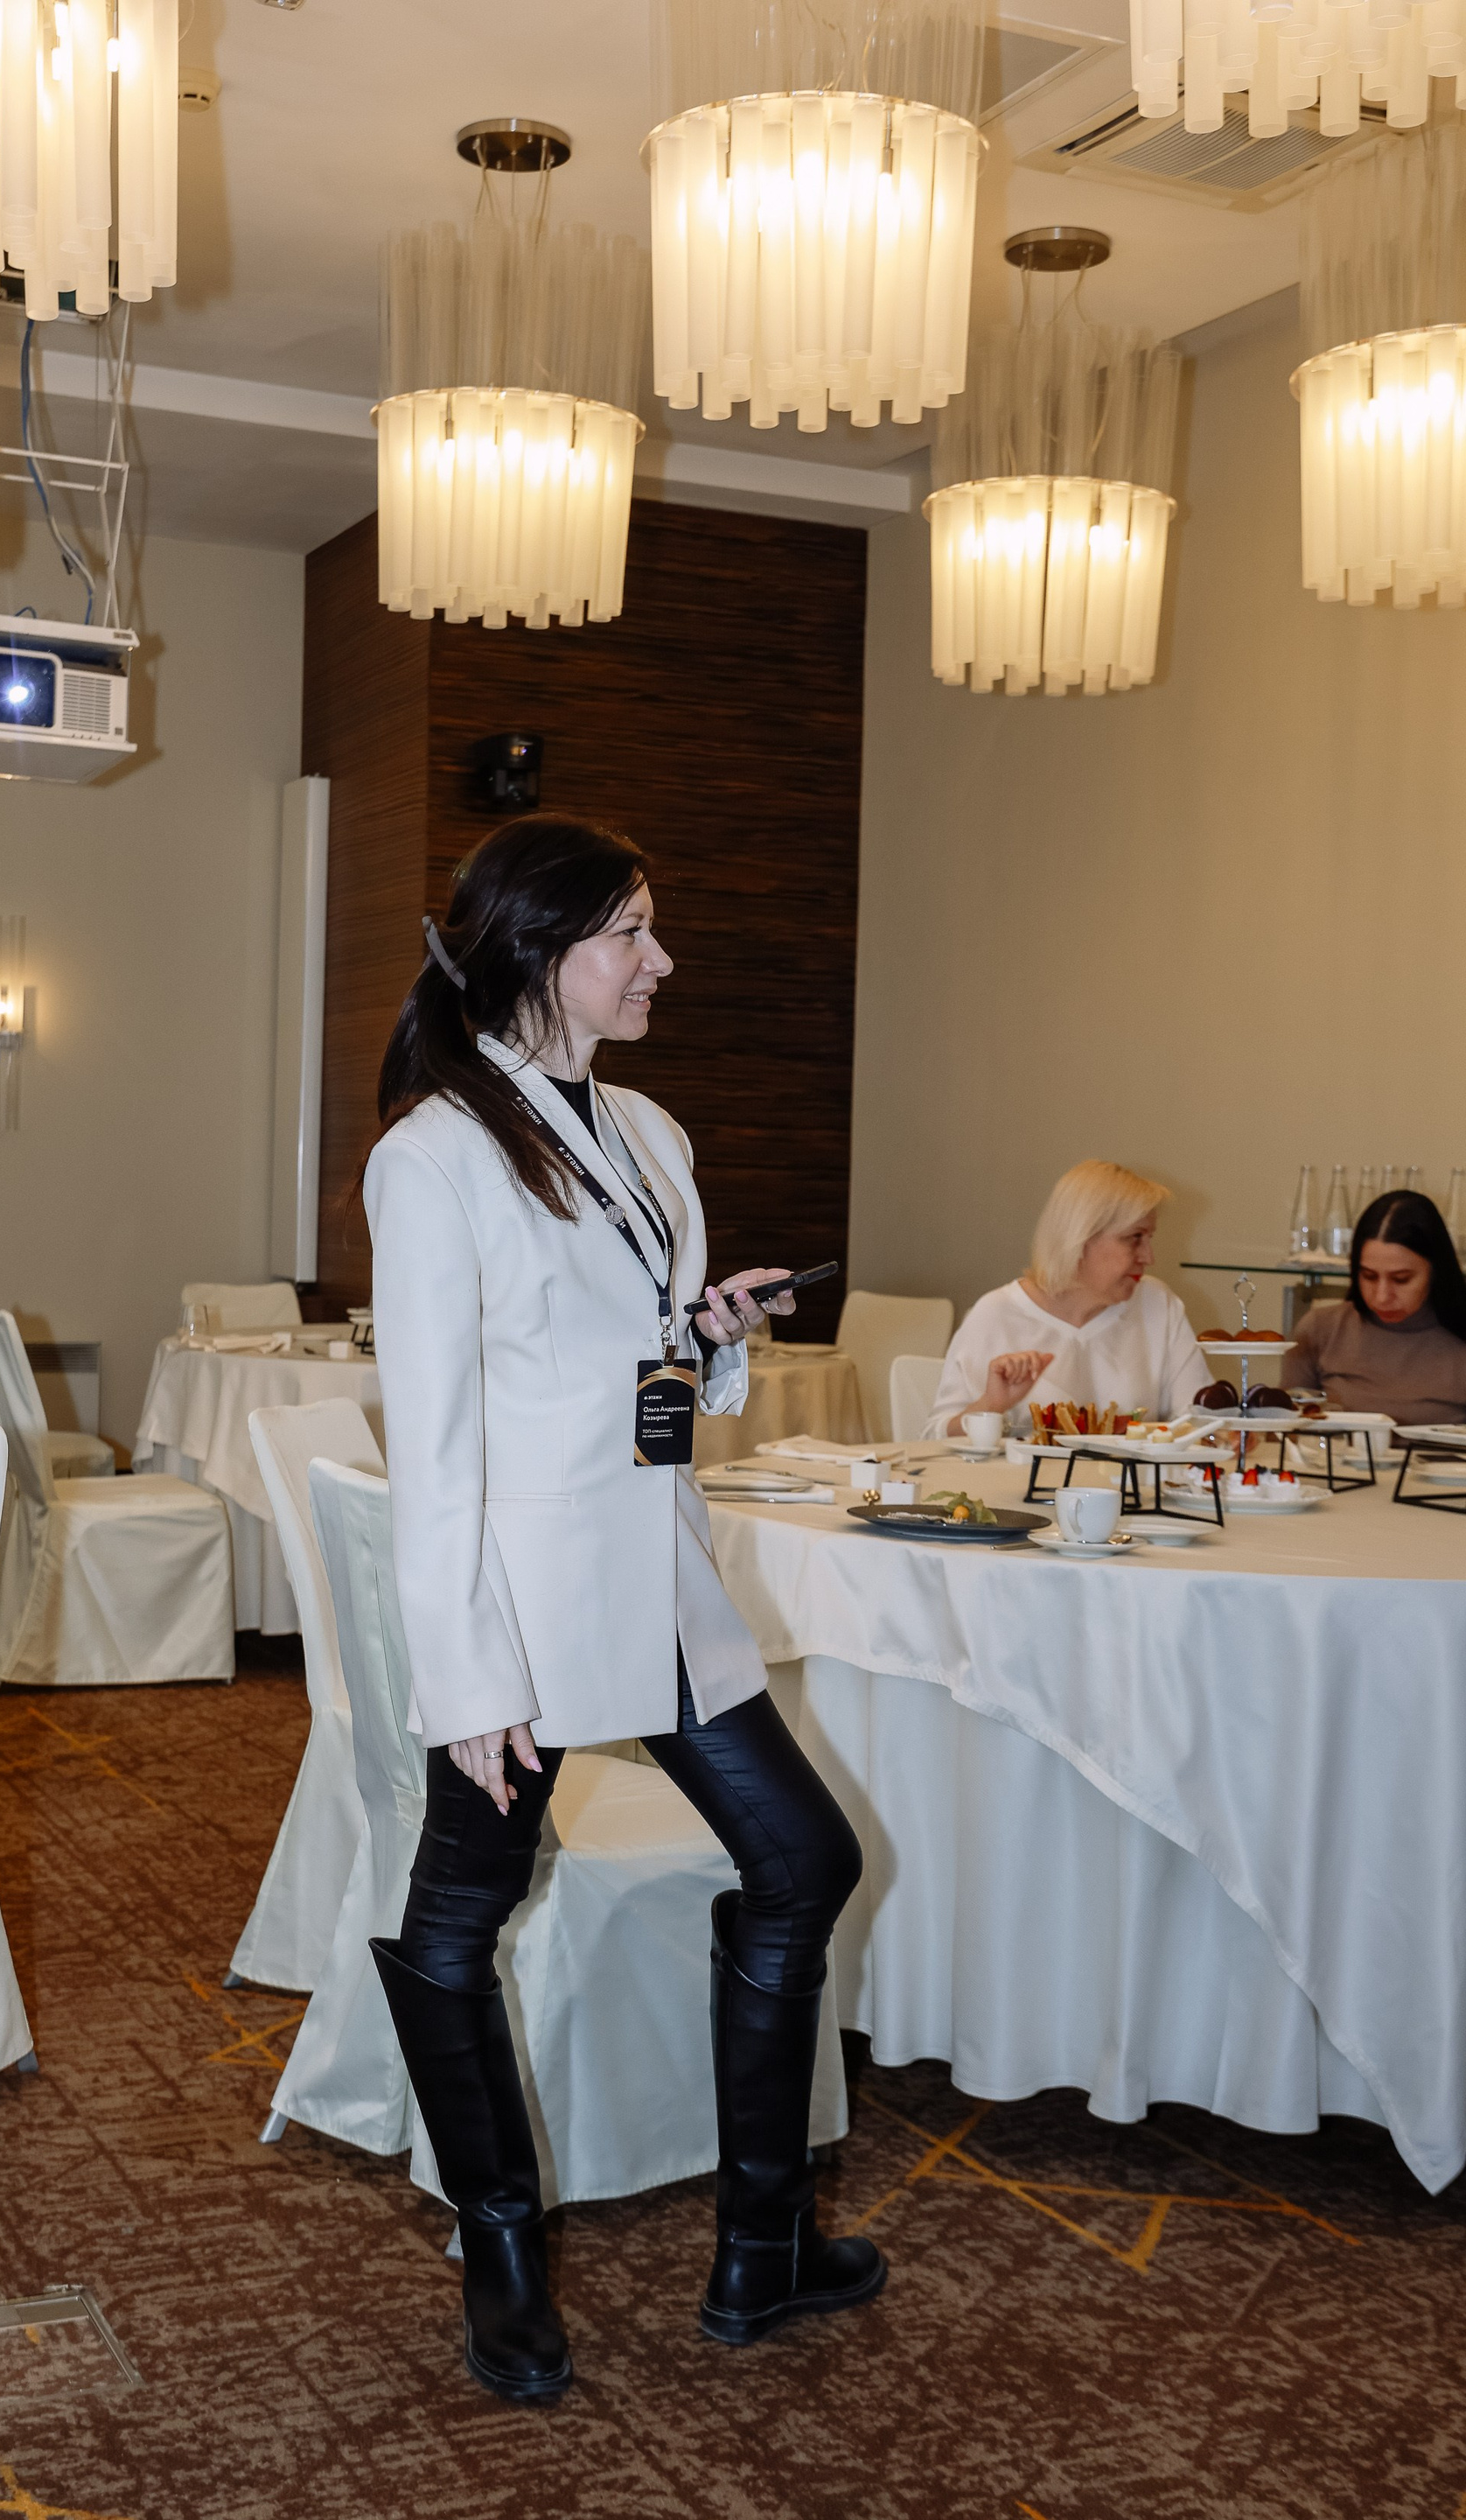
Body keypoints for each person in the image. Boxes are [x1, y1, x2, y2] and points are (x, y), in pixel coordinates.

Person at [363, 814, 878, 2405]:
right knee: (456, 1927)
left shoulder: (649, 1130)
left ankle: (761, 2247)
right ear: (540, 951)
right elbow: (436, 1445)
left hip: (656, 1576)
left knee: (806, 1864)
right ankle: (501, 2256)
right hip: (522, 1609)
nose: (662, 960)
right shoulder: (433, 1155)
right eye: (632, 933)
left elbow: (635, 1356)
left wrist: (709, 1334)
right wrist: (468, 1678)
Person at [929, 1159, 1202, 1438]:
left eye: (1149, 1238)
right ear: (1080, 1237)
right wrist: (991, 1406)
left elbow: (1198, 1421)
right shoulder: (996, 1314)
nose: (1148, 1257)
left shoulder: (1157, 1304)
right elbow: (932, 1438)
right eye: (1134, 1237)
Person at [1282, 1189, 1466, 1424]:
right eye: (1369, 1276)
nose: (1381, 1297)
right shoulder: (1321, 1329)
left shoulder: (1457, 1342)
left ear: (1435, 1272)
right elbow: (1285, 1429)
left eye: (1401, 1279)